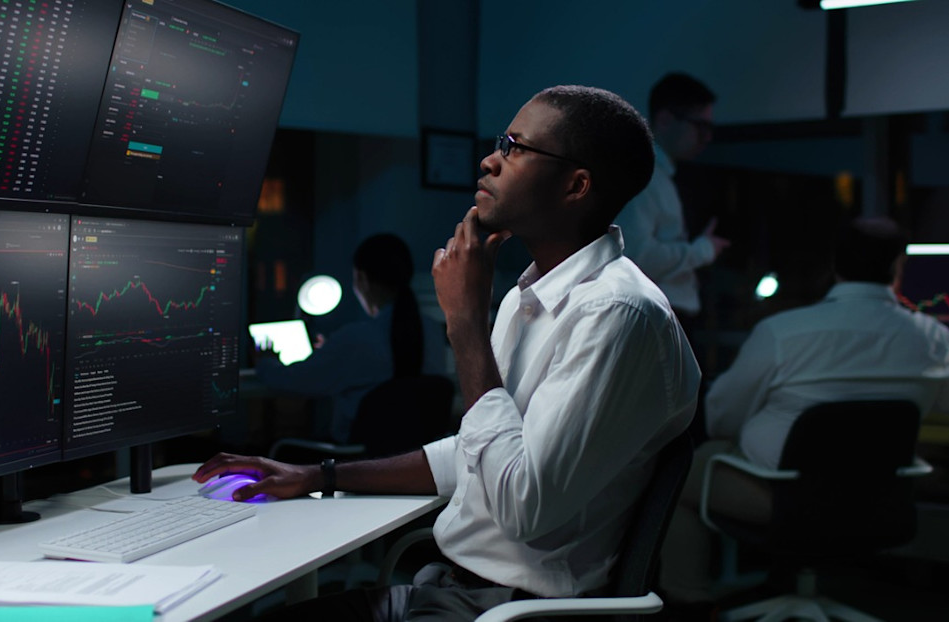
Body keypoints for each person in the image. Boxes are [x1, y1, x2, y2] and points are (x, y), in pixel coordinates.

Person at [195, 85, 701, 621]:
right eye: (499, 142)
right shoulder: (533, 297)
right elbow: (476, 453)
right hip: (450, 588)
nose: (490, 159)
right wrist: (319, 475)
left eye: (515, 148)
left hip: (511, 610)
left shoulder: (616, 312)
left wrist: (466, 324)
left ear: (576, 186)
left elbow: (521, 503)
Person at [660, 217, 949, 607]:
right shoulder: (935, 339)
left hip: (781, 500)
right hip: (883, 504)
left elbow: (722, 416)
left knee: (674, 477)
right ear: (898, 269)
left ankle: (690, 607)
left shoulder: (783, 332)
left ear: (834, 266)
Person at [256, 233, 447, 444]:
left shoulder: (355, 339)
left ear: (362, 280)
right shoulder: (433, 331)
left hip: (354, 463)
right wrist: (334, 351)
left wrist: (264, 361)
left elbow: (293, 381)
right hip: (414, 462)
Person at [613, 72, 730, 322]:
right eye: (701, 126)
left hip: (658, 315)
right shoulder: (646, 177)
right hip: (653, 317)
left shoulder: (658, 176)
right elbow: (634, 256)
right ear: (665, 119)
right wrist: (701, 251)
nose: (707, 137)